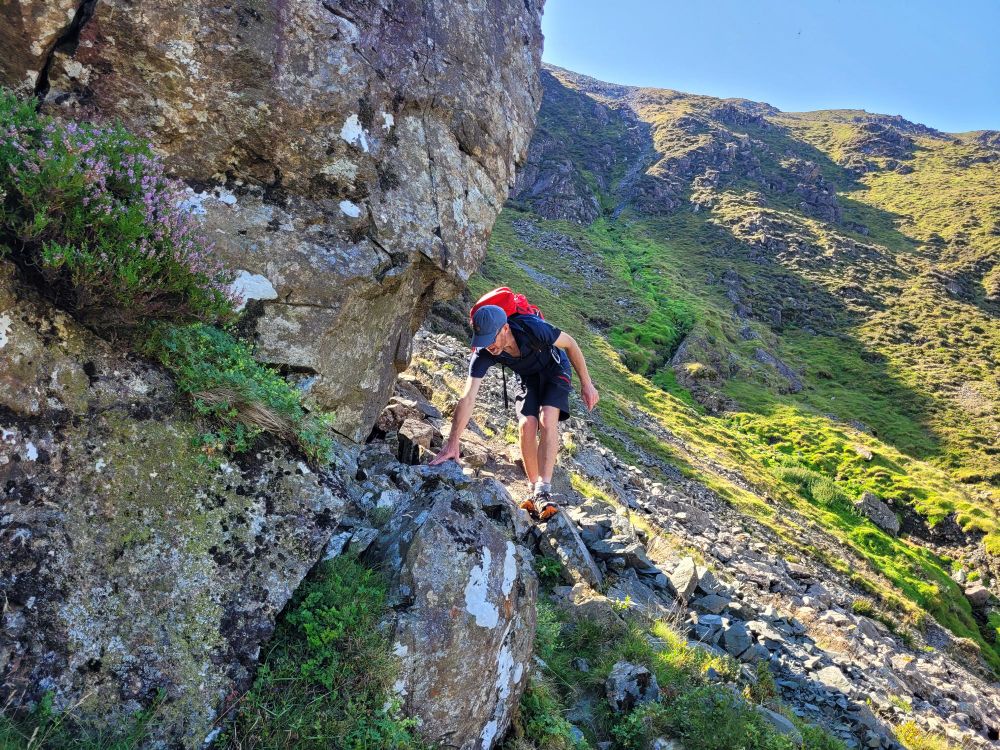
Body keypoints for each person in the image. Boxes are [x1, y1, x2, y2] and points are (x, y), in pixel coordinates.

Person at [430, 304, 599, 520]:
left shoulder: (533, 328)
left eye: (492, 338)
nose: (489, 345)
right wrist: (452, 443)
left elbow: (571, 344)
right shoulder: (484, 352)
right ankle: (533, 489)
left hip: (555, 370)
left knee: (547, 418)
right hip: (527, 377)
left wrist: (587, 384)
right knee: (526, 425)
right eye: (483, 340)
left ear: (506, 329)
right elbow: (468, 396)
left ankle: (544, 489)